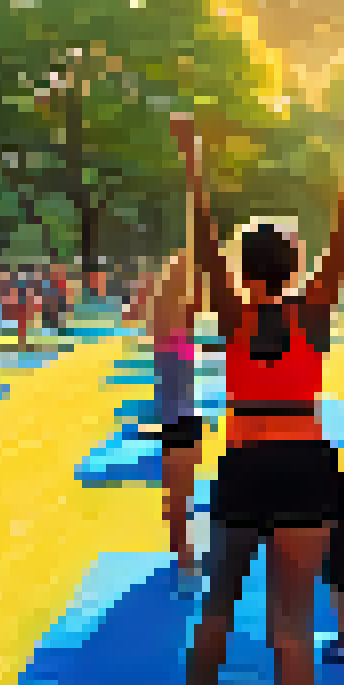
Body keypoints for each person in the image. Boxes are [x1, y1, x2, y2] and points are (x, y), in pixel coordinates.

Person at [168, 108, 344, 685]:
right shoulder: (313, 313)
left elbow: (201, 227)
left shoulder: (231, 312)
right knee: (290, 629)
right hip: (302, 464)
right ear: (295, 264)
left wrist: (191, 157)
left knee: (218, 599)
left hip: (246, 464)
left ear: (245, 267)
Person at [140, 247, 207, 597]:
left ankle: (184, 555)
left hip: (183, 414)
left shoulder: (178, 323)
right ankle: (183, 560)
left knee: (183, 490)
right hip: (176, 417)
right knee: (179, 492)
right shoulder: (169, 323)